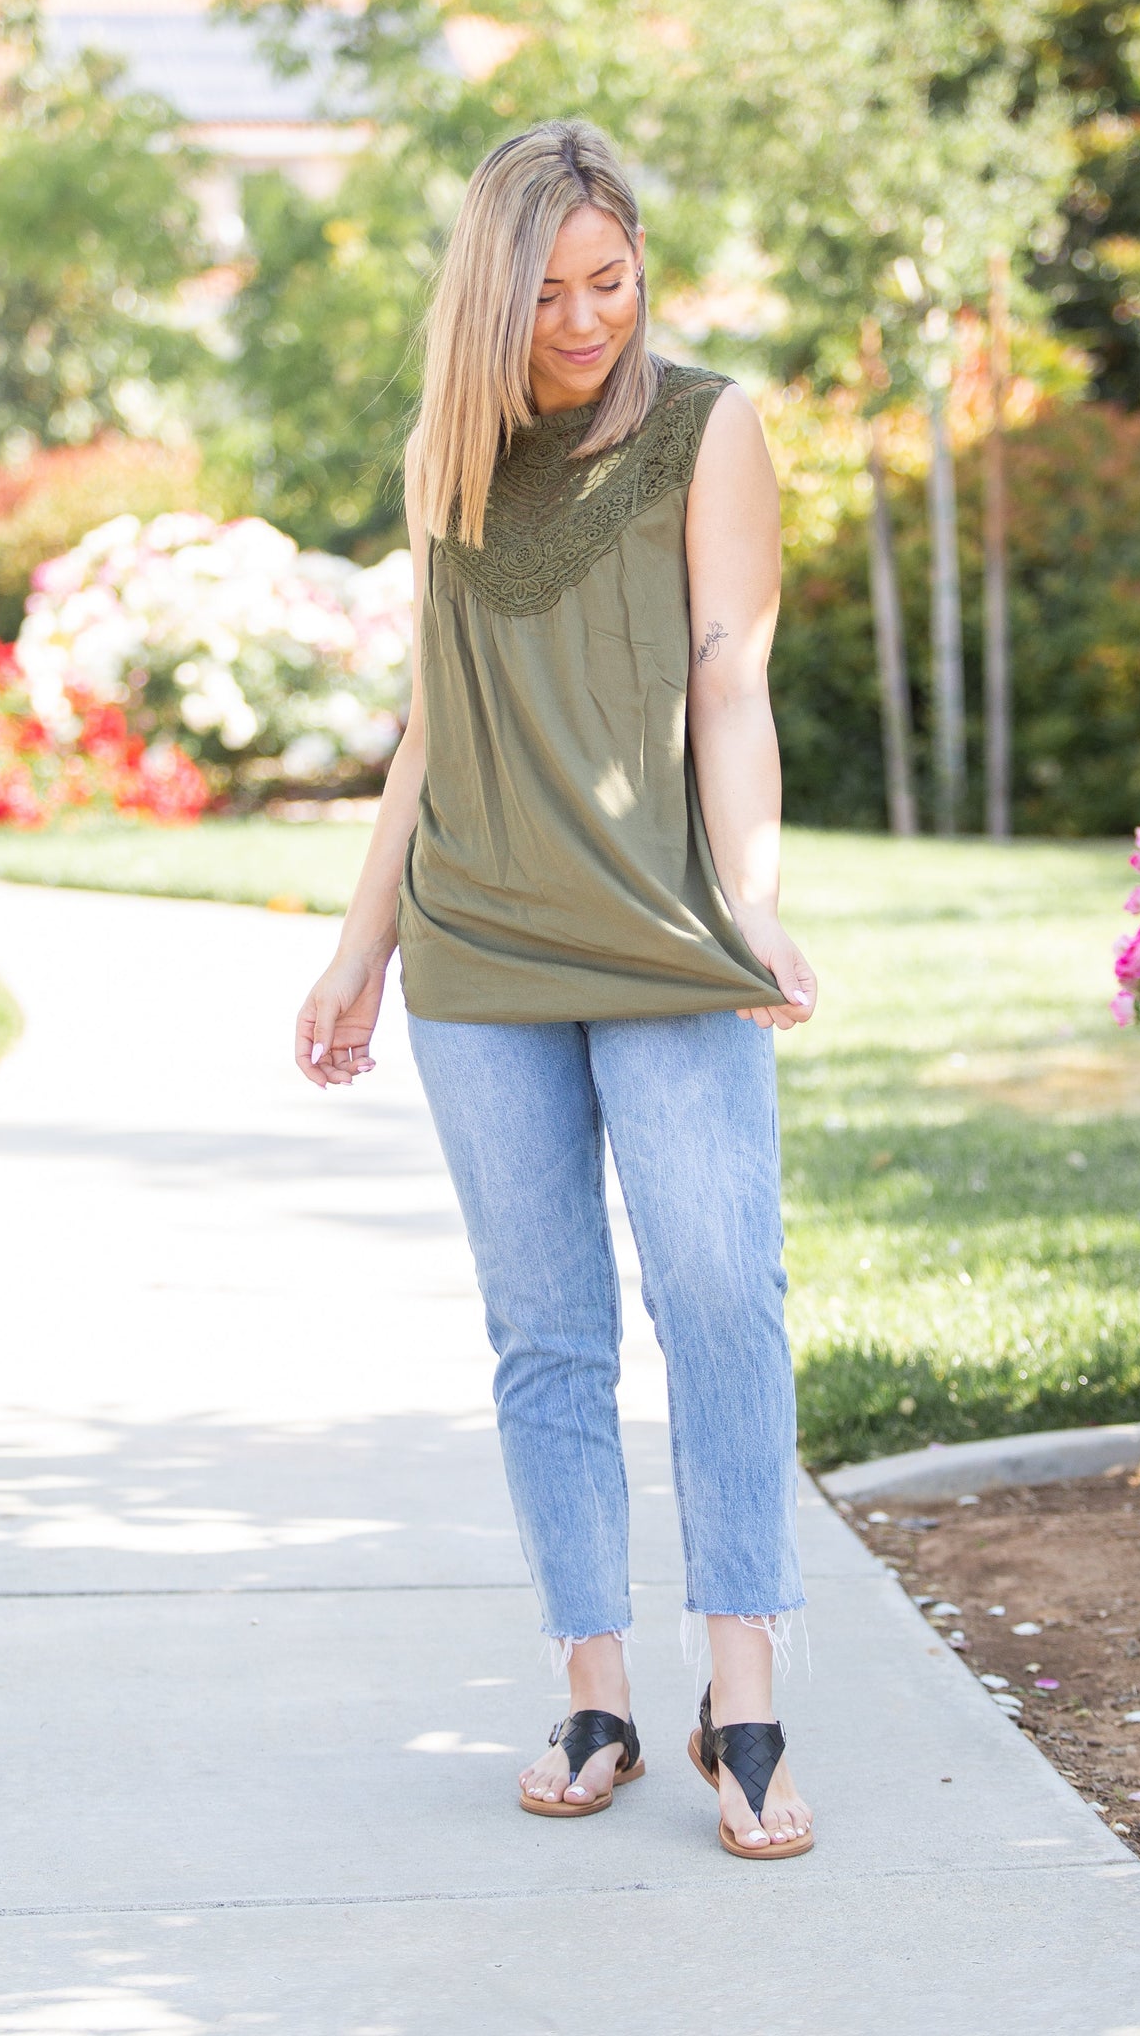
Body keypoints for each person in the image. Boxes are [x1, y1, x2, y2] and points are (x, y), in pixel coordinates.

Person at [295, 120, 816, 1859]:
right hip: (479, 955)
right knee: (547, 1334)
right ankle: (591, 1687)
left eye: (614, 279)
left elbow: (730, 675)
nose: (588, 318)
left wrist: (752, 899)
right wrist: (360, 946)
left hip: (663, 940)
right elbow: (433, 726)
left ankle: (743, 1701)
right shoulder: (448, 452)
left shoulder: (703, 424)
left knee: (720, 1293)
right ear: (488, 289)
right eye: (551, 290)